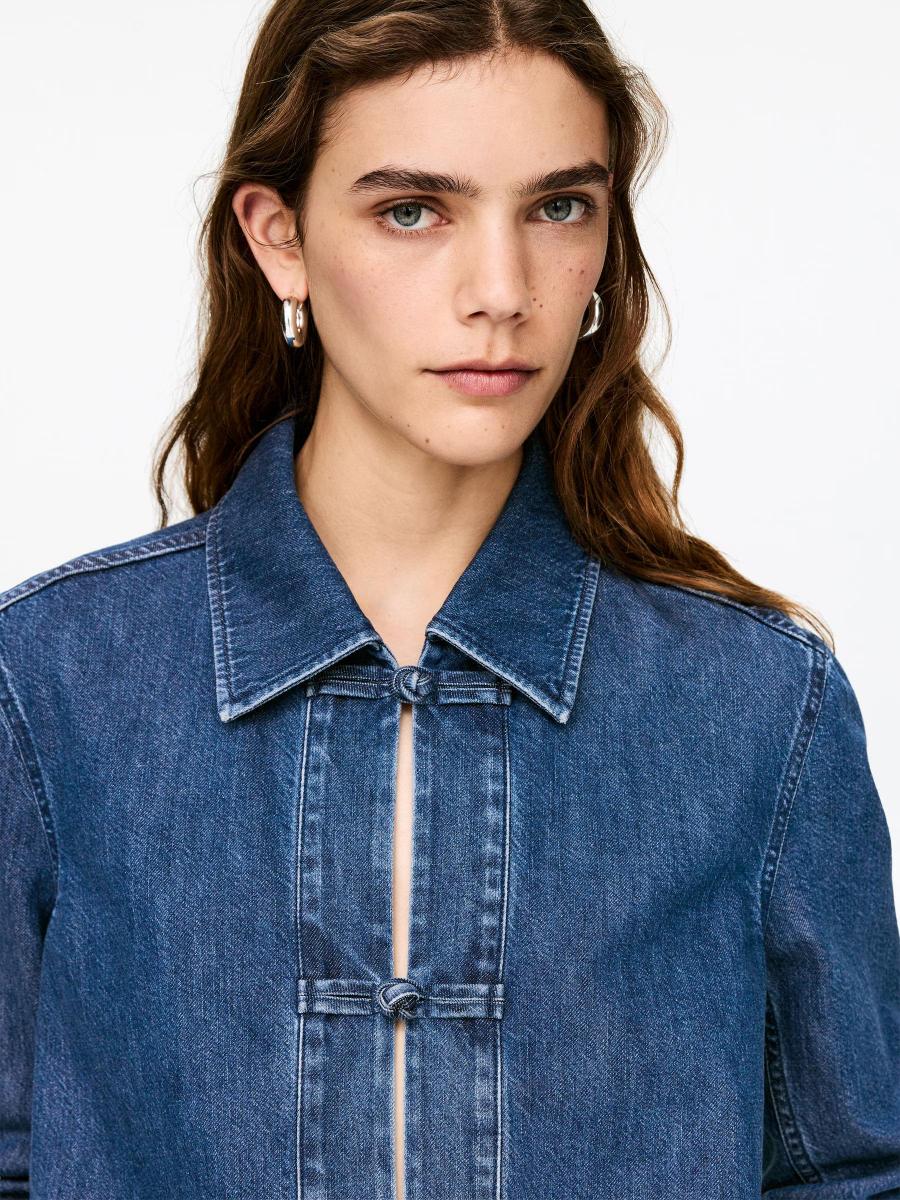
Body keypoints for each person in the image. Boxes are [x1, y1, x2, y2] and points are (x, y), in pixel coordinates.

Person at [2, 0, 899, 1196]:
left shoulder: (760, 705)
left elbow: (857, 1171)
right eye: (413, 210)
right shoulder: (51, 681)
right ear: (280, 238)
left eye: (558, 207)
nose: (501, 290)